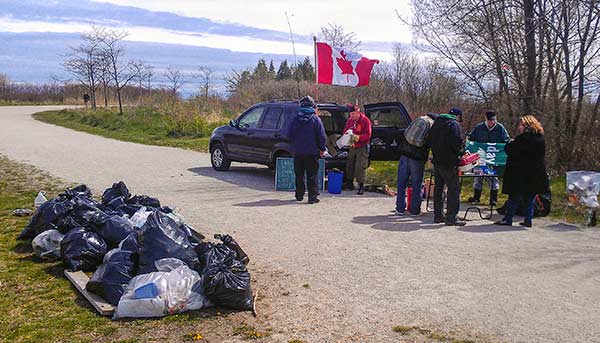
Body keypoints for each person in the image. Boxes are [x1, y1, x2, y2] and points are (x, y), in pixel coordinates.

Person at [494, 115, 549, 227]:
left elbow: (509, 149)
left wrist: (510, 142)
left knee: (514, 197)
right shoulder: (540, 139)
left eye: (521, 125)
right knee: (530, 198)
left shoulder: (523, 139)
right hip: (535, 173)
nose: (519, 127)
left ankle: (508, 218)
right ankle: (528, 219)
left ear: (526, 126)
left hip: (521, 174)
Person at [428, 108, 466, 226]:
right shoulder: (454, 125)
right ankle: (451, 217)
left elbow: (430, 140)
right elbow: (456, 143)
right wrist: (462, 151)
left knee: (439, 189)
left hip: (437, 160)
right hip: (449, 162)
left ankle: (438, 215)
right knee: (453, 189)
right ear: (458, 117)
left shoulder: (437, 123)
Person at [395, 113, 438, 216]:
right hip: (417, 157)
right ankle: (415, 210)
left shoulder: (418, 120)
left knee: (401, 183)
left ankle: (400, 208)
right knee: (417, 184)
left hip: (405, 154)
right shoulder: (431, 125)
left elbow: (406, 133)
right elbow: (430, 142)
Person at [288, 95, 327, 204]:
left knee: (299, 175)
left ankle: (299, 195)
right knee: (312, 175)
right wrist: (322, 148)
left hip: (298, 152)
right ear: (312, 107)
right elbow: (321, 136)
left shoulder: (295, 119)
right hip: (312, 153)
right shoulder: (315, 119)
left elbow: (289, 134)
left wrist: (294, 145)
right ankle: (312, 197)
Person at [467, 110, 510, 205]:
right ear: (485, 119)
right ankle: (476, 197)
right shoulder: (479, 127)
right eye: (489, 120)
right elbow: (471, 138)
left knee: (492, 177)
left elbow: (506, 140)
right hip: (481, 157)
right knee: (478, 176)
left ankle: (493, 199)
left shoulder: (500, 128)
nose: (491, 122)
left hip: (493, 157)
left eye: (493, 120)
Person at [342, 105, 372, 195]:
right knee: (349, 164)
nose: (351, 116)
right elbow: (344, 131)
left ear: (358, 112)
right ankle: (349, 183)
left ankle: (361, 185)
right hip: (352, 145)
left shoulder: (365, 121)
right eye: (350, 114)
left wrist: (358, 137)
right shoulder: (350, 121)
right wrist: (347, 136)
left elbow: (368, 135)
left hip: (362, 146)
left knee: (360, 166)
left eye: (353, 114)